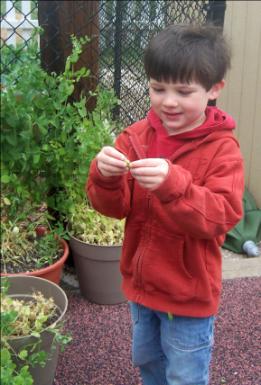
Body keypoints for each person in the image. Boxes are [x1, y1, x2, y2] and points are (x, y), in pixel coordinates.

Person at [86, 23, 244, 385]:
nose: (168, 101)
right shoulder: (135, 137)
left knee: (185, 374)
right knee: (148, 363)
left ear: (214, 89)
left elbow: (222, 216)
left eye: (184, 91)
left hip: (189, 296)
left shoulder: (222, 149)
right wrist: (104, 176)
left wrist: (174, 185)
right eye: (158, 88)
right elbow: (113, 208)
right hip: (141, 288)